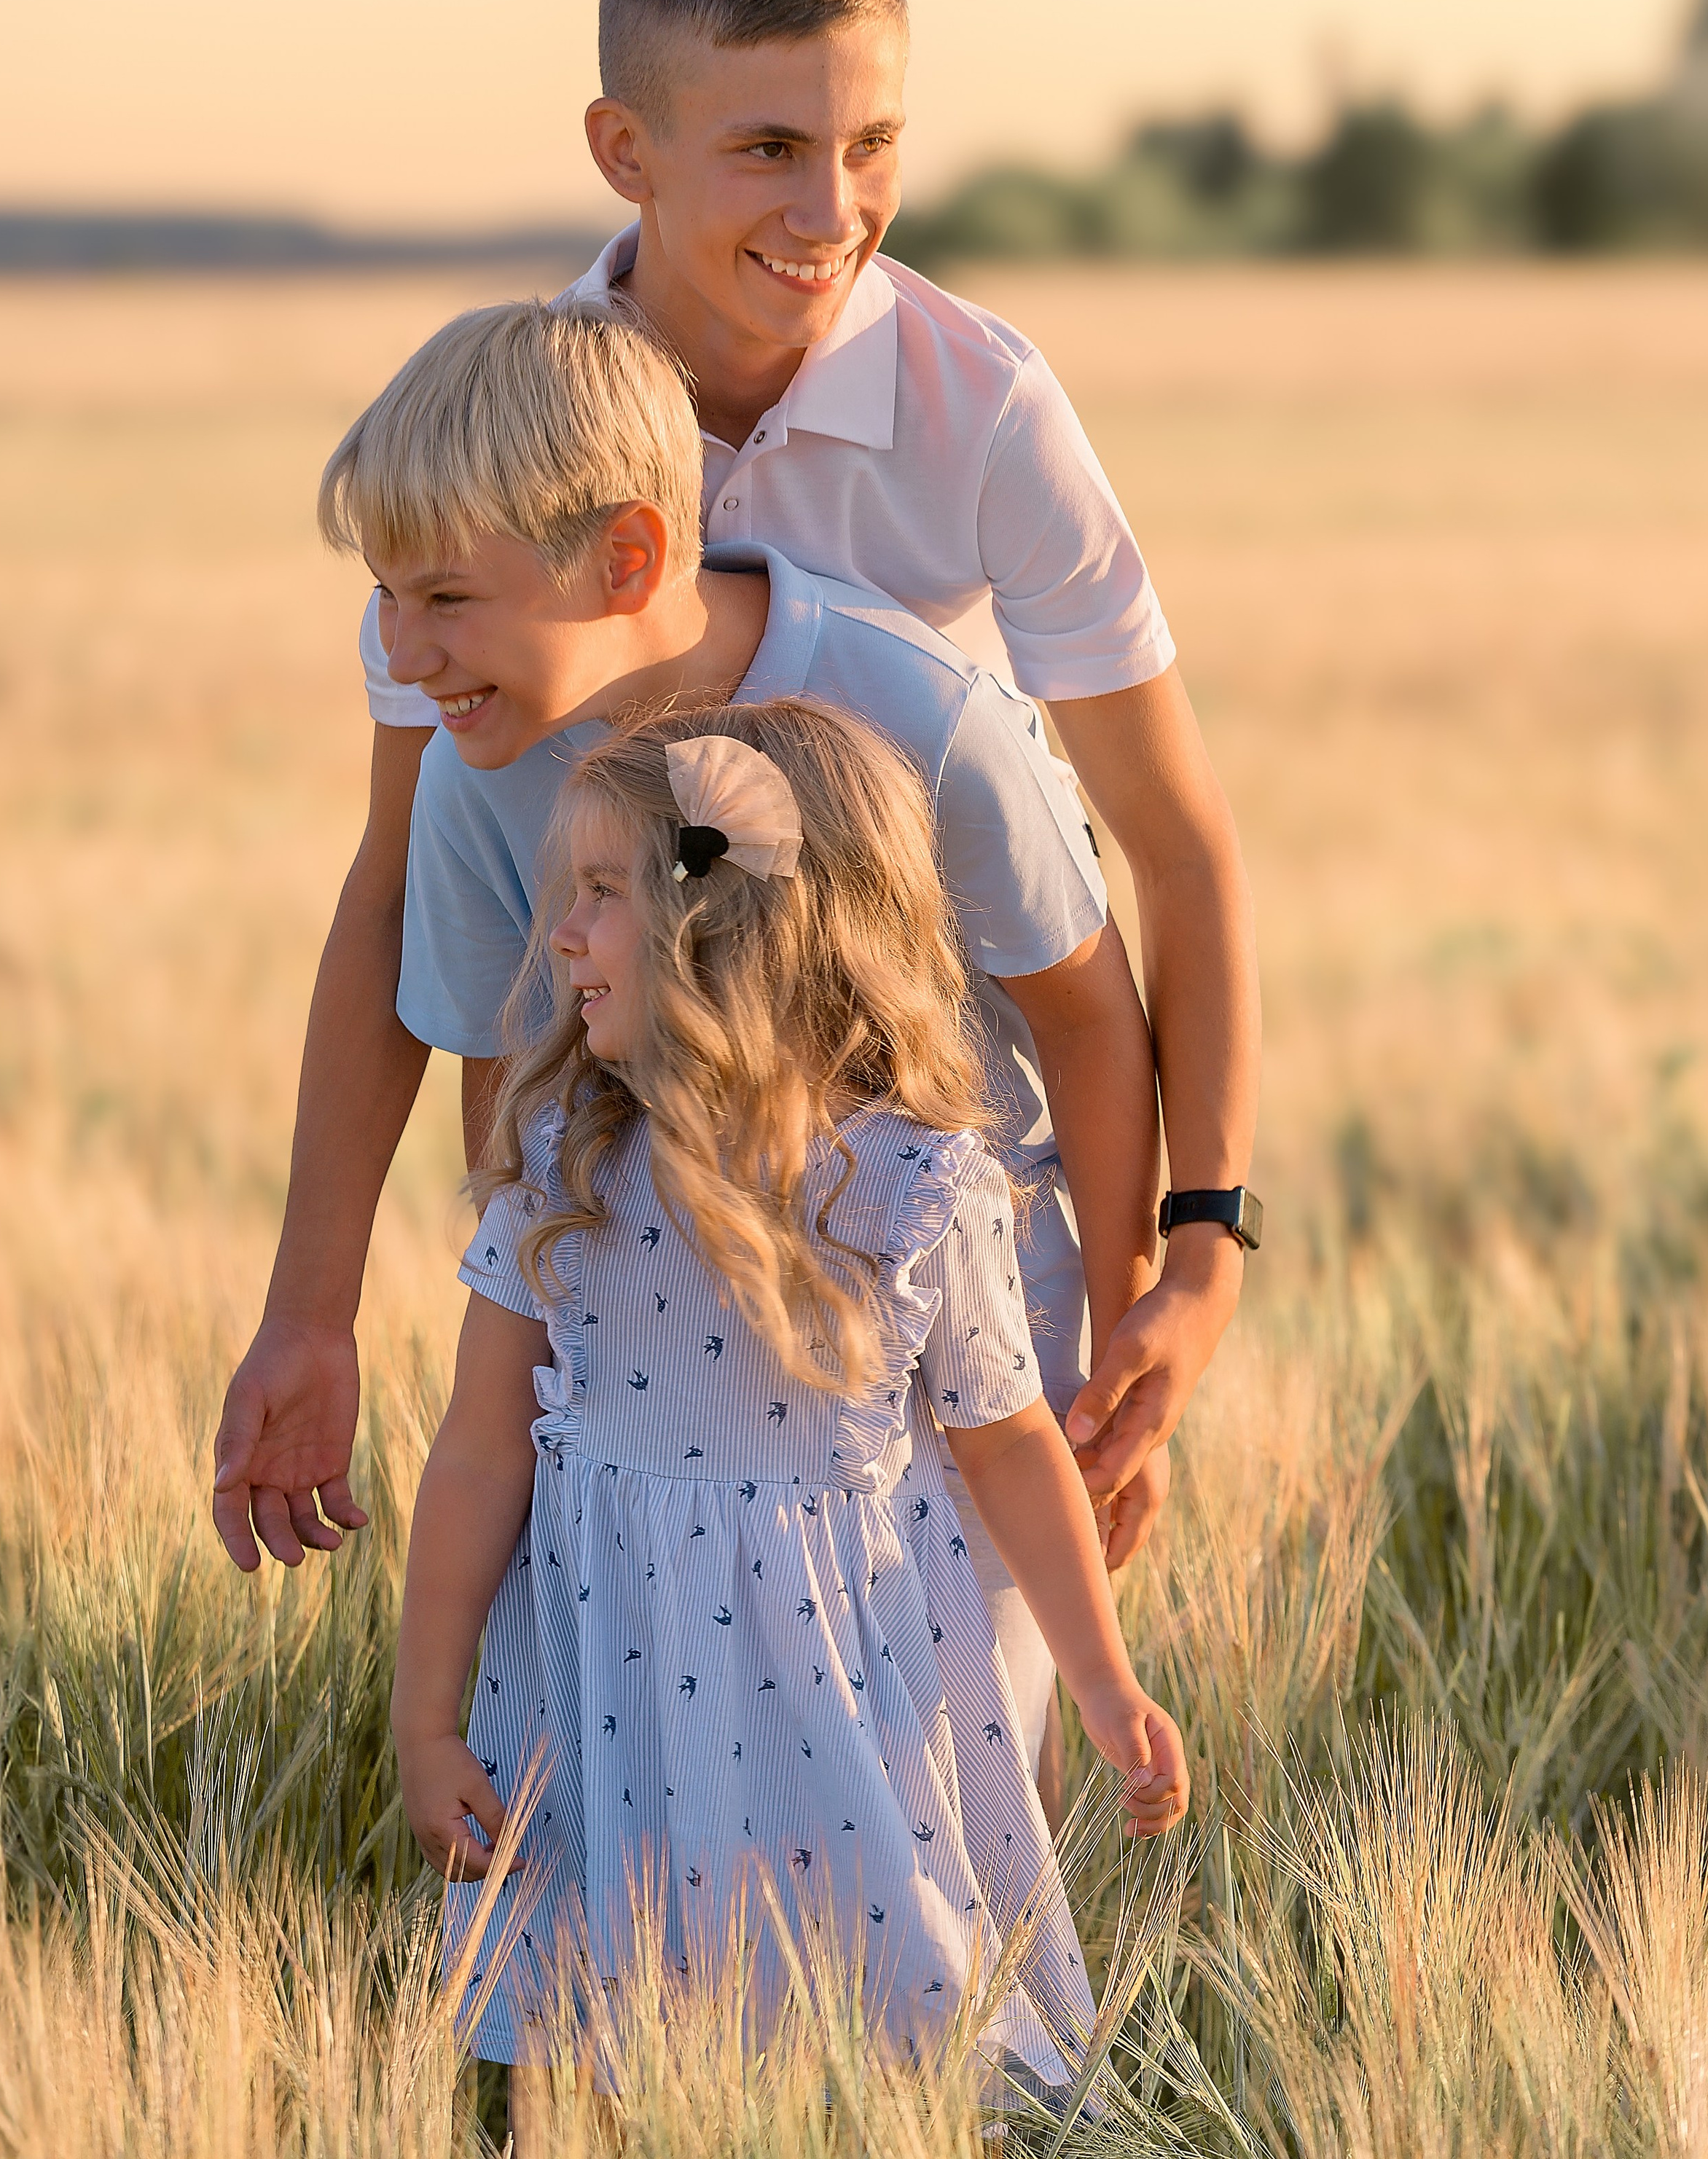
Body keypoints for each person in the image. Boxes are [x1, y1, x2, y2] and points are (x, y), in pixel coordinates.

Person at [215, 0, 1258, 1586]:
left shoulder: (981, 404)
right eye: (769, 148)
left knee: (955, 1729)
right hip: (630, 1189)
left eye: (874, 146)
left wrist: (1189, 1249)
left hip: (946, 1171)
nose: (833, 207)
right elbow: (414, 881)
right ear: (624, 150)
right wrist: (310, 1314)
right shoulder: (492, 444)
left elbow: (1167, 842)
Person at [293, 295, 1167, 1801]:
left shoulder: (914, 713)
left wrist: (1118, 1343)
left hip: (937, 1368)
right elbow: (497, 1101)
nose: (402, 650)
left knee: (922, 1819)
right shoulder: (476, 775)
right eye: (382, 598)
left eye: (441, 598)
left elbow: (1088, 1023)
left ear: (625, 559)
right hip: (645, 1428)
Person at [391, 698, 1189, 2106]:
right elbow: (475, 1453)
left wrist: (1103, 1678)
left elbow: (1007, 1450)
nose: (559, 934)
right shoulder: (570, 1159)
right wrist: (428, 1712)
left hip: (838, 1689)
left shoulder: (915, 1190)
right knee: (601, 2050)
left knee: (897, 2039)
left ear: (732, 930)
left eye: (600, 895)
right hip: (600, 1683)